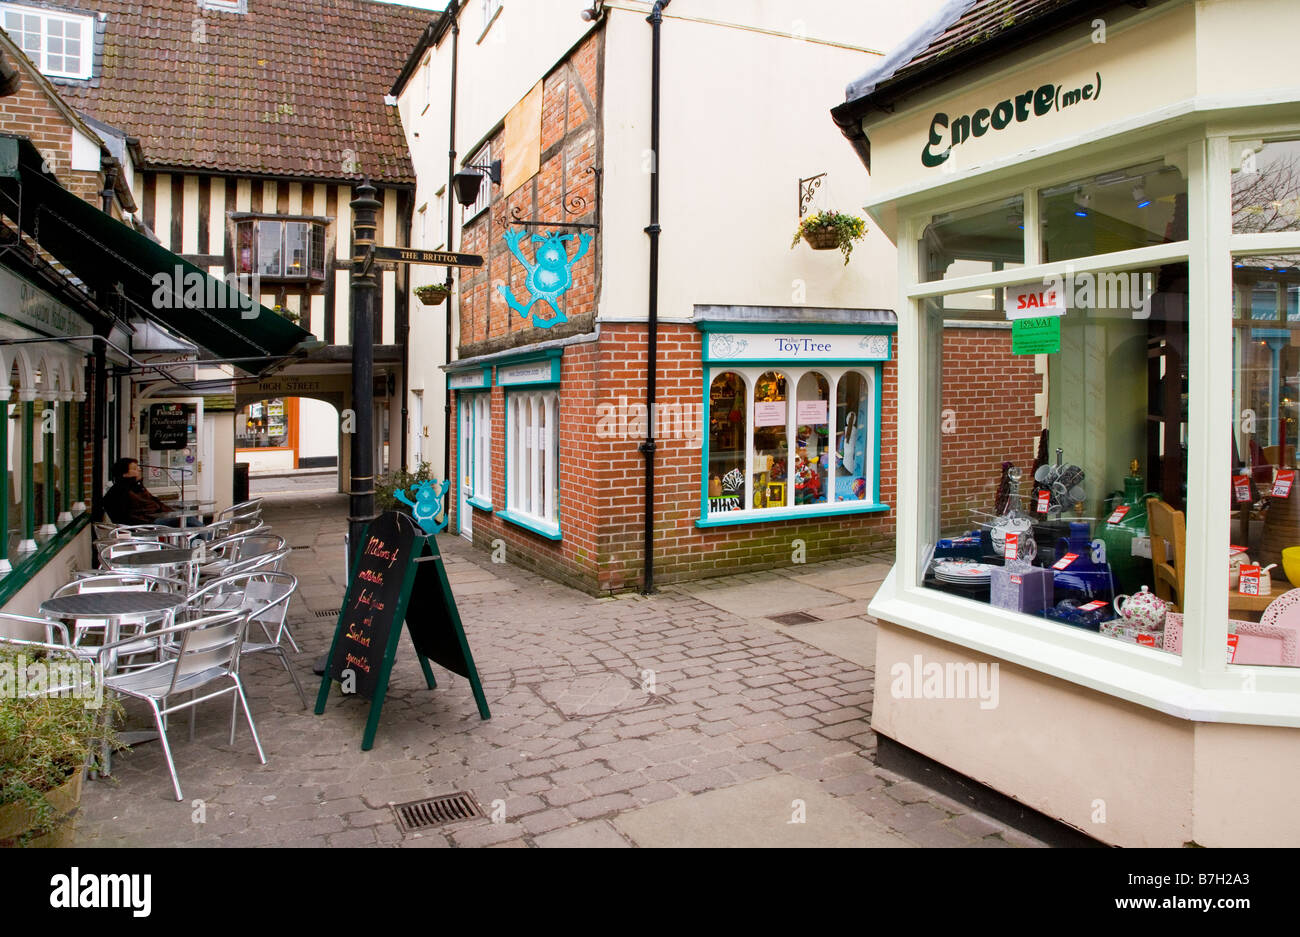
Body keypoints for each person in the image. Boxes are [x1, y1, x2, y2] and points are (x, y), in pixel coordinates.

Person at [102, 458, 172, 525]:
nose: (139, 469)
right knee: (179, 521)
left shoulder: (136, 486)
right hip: (144, 526)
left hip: (148, 522)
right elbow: (140, 510)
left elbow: (153, 502)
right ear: (124, 474)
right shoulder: (121, 492)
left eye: (138, 467)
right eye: (134, 469)